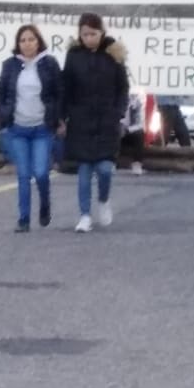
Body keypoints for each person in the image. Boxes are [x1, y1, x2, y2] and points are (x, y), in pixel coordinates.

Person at [62, 12, 129, 232]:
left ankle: (103, 200)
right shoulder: (73, 56)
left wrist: (118, 112)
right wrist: (64, 115)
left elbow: (122, 88)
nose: (89, 38)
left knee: (105, 169)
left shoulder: (113, 55)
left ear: (102, 33)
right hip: (81, 121)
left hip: (107, 122)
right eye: (85, 34)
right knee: (83, 172)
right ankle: (84, 215)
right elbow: (67, 88)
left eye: (93, 33)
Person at [0, 24, 62, 232]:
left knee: (41, 172)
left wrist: (57, 117)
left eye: (31, 39)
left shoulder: (49, 64)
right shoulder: (10, 65)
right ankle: (23, 219)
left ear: (38, 41)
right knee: (23, 174)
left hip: (42, 128)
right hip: (18, 128)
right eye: (23, 40)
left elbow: (59, 92)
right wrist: (4, 115)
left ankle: (45, 204)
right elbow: (1, 93)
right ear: (18, 44)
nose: (27, 44)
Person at [121, 89, 146, 174]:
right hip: (118, 128)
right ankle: (110, 162)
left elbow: (140, 123)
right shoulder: (120, 97)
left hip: (130, 131)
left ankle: (137, 163)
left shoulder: (140, 101)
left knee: (140, 133)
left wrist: (127, 130)